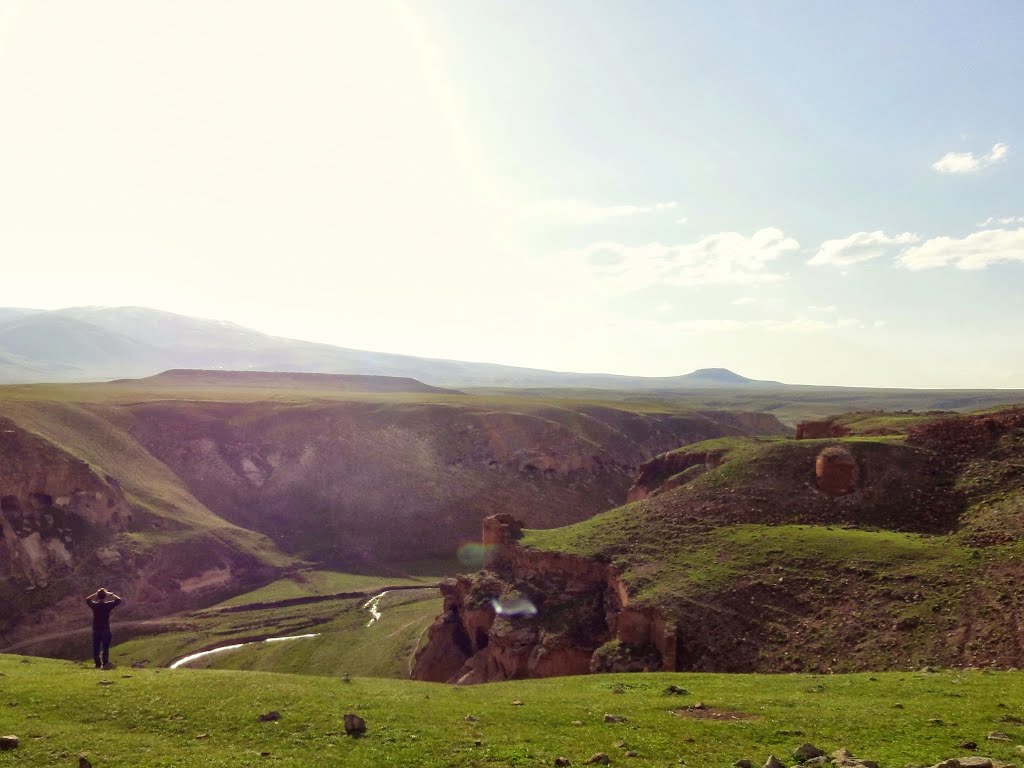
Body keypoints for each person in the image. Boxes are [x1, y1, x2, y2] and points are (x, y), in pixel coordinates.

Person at [85, 588, 122, 669]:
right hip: (105, 629)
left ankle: (97, 664)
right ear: (105, 597)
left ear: (98, 597)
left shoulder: (95, 606)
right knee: (105, 647)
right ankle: (105, 663)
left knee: (96, 647)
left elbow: (87, 599)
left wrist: (96, 593)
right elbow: (119, 600)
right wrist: (110, 594)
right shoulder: (108, 605)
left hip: (96, 629)